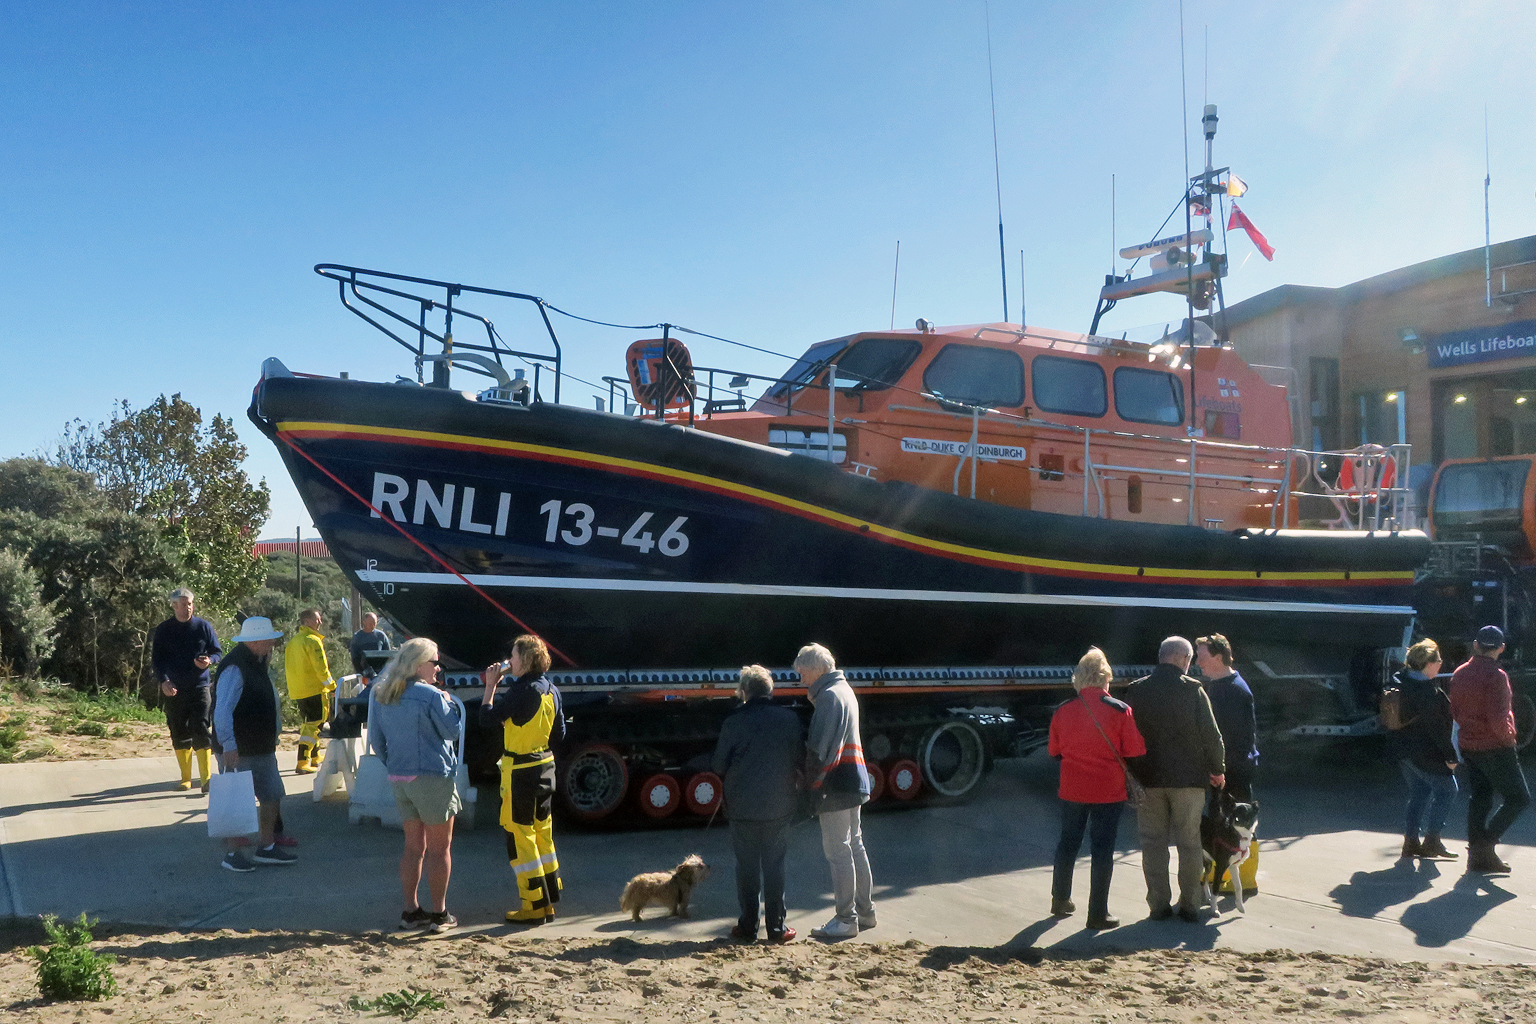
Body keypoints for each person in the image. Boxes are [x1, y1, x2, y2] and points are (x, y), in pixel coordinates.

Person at [1124, 636, 1225, 923]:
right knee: (1189, 843)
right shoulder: (1194, 692)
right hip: (1189, 782)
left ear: (1160, 656)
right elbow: (1212, 736)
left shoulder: (1136, 691)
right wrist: (1218, 770)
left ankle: (1158, 905)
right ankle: (1190, 905)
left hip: (1148, 780)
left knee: (1153, 843)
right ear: (1184, 659)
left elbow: (1126, 736)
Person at [1048, 647, 1146, 931]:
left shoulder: (1063, 711)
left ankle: (1060, 900)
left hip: (1072, 789)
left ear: (1079, 679)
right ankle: (1097, 913)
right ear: (1106, 678)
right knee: (1102, 850)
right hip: (1108, 791)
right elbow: (1135, 750)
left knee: (1068, 843)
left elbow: (1054, 750)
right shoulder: (1120, 710)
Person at [369, 636, 463, 934]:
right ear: (419, 664)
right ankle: (439, 914)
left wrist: (394, 763)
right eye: (434, 662)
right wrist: (449, 703)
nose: (438, 668)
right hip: (433, 777)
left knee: (413, 848)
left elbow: (376, 740)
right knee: (440, 849)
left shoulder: (384, 693)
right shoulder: (431, 696)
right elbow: (452, 731)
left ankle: (410, 911)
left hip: (400, 776)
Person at [712, 664, 805, 944]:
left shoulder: (733, 722)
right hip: (779, 806)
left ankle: (748, 927)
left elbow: (718, 765)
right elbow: (799, 759)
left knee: (747, 868)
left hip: (742, 809)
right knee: (775, 866)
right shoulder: (789, 719)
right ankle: (777, 929)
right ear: (770, 690)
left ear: (744, 692)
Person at [481, 634, 564, 923]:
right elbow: (559, 735)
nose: (509, 661)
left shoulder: (520, 691)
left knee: (521, 836)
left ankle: (532, 906)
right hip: (545, 767)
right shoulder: (552, 690)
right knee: (542, 834)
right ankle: (548, 901)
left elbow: (486, 718)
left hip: (520, 772)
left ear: (525, 660)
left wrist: (490, 687)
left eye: (513, 656)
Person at [796, 643, 875, 940]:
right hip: (853, 780)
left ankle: (845, 918)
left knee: (838, 851)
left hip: (836, 785)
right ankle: (866, 913)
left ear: (817, 669)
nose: (801, 679)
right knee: (855, 845)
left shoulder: (828, 697)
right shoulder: (844, 691)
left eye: (802, 673)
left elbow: (819, 750)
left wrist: (810, 788)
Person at [211, 616, 297, 872]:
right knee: (237, 801)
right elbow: (223, 711)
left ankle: (266, 847)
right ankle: (232, 854)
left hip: (261, 746)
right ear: (256, 641)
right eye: (270, 639)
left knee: (272, 795)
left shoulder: (257, 663)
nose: (273, 643)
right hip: (239, 749)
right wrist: (228, 745)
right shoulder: (235, 667)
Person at [1449, 625, 1531, 874]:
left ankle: (1476, 855)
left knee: (1480, 797)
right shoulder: (1496, 676)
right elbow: (1498, 718)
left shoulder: (1460, 673)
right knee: (1519, 798)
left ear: (1476, 645)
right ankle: (1484, 848)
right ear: (1501, 648)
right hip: (1495, 746)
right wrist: (1510, 739)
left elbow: (1454, 711)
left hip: (1469, 744)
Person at [1393, 638, 1459, 861]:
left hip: (1402, 750)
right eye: (1438, 659)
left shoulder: (1399, 681)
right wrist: (1450, 757)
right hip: (1423, 752)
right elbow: (1437, 730)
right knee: (1448, 790)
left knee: (1419, 792)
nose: (1441, 663)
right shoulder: (1427, 692)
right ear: (1428, 664)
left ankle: (1411, 842)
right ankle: (1432, 840)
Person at [150, 587, 222, 792]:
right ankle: (186, 778)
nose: (187, 608)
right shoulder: (164, 629)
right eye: (182, 604)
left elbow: (217, 652)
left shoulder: (203, 626)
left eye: (190, 604)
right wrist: (163, 681)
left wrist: (209, 661)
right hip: (174, 688)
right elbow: (157, 660)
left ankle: (206, 779)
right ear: (173, 606)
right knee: (178, 730)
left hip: (200, 686)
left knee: (201, 728)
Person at [1195, 634, 1257, 803]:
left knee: (1236, 826)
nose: (1197, 662)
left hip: (1234, 771)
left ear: (1219, 657)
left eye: (1202, 657)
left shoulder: (1234, 690)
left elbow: (1235, 737)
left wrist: (1219, 770)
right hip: (1224, 769)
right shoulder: (1217, 685)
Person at [285, 608, 336, 775]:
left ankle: (315, 756)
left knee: (312, 723)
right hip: (314, 689)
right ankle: (302, 761)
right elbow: (322, 669)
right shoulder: (312, 641)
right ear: (307, 621)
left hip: (298, 690)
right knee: (314, 725)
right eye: (317, 619)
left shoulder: (294, 641)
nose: (320, 622)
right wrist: (333, 687)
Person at [349, 612, 392, 679]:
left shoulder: (381, 636)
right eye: (370, 623)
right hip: (364, 675)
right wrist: (361, 673)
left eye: (374, 623)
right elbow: (355, 658)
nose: (372, 625)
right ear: (364, 622)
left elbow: (387, 655)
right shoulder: (357, 637)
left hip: (380, 675)